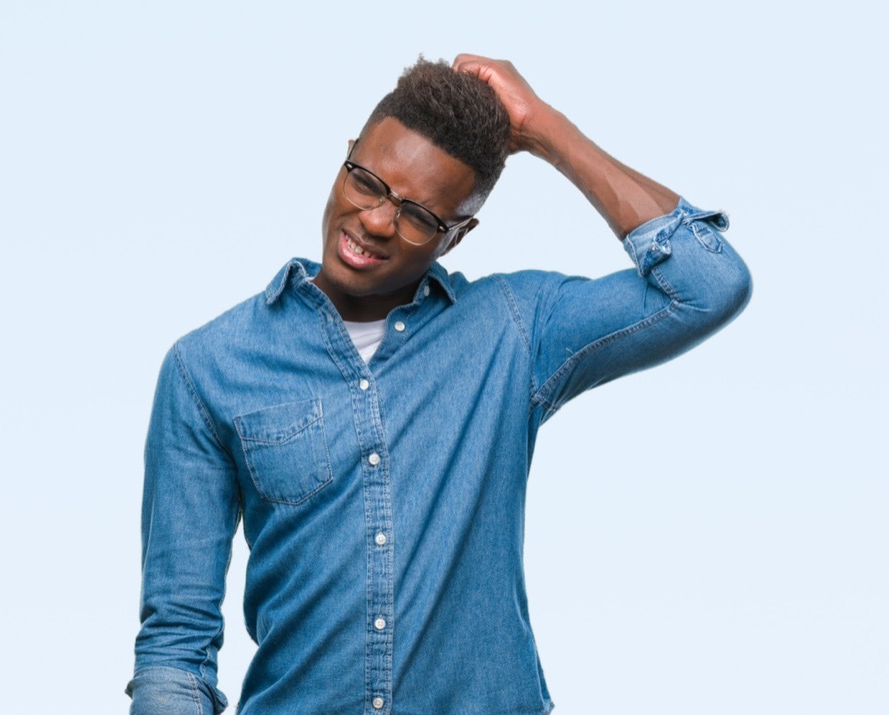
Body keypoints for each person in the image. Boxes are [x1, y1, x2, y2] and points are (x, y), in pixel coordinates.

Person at [126, 53, 751, 714]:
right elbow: (176, 645)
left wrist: (543, 130)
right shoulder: (209, 367)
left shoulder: (514, 331)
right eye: (367, 181)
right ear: (345, 158)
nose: (375, 221)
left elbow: (707, 285)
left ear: (456, 235)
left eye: (420, 215)